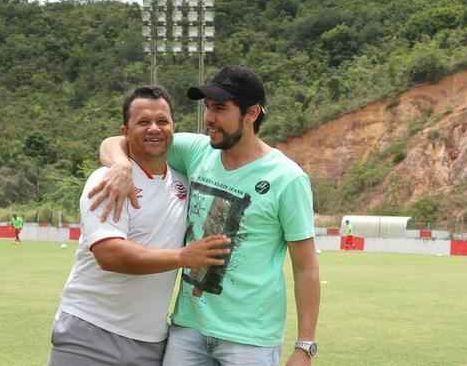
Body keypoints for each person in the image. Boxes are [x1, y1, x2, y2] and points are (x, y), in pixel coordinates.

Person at [93, 66, 320, 366]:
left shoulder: (287, 179)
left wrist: (304, 347)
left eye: (220, 109)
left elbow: (306, 267)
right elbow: (119, 140)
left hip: (250, 339)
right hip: (188, 328)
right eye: (208, 107)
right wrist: (121, 165)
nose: (209, 118)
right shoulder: (197, 151)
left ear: (252, 113)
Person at [48, 86, 230, 366]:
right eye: (143, 122)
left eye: (162, 121)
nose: (154, 129)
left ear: (173, 127)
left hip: (150, 344)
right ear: (125, 130)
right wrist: (184, 256)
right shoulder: (107, 181)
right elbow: (110, 255)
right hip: (89, 334)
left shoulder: (184, 182)